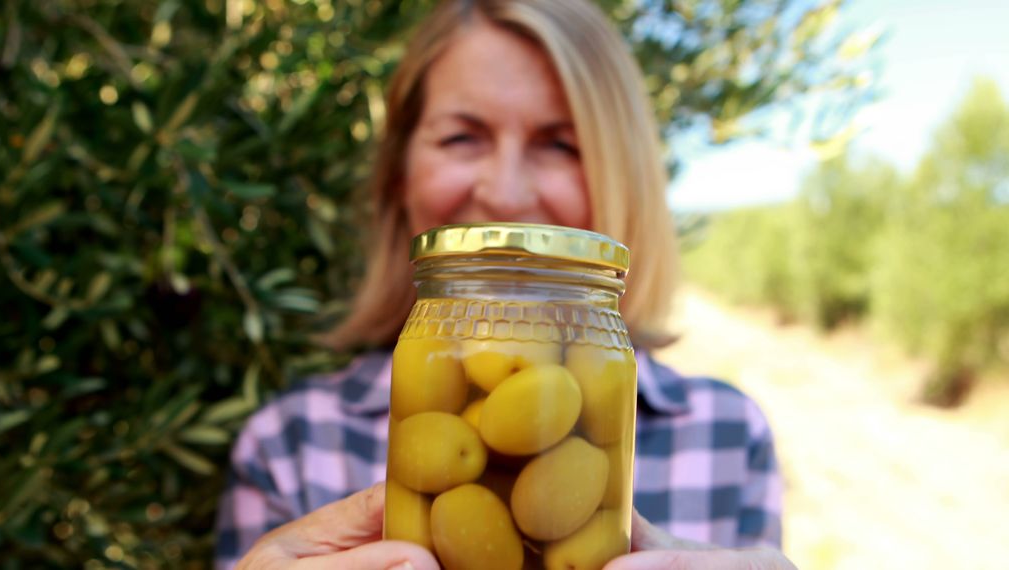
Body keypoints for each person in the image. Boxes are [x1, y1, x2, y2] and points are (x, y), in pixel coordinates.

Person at [216, 0, 794, 568]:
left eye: (561, 144)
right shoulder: (289, 442)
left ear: (625, 178)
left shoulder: (727, 436)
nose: (506, 194)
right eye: (461, 138)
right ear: (398, 173)